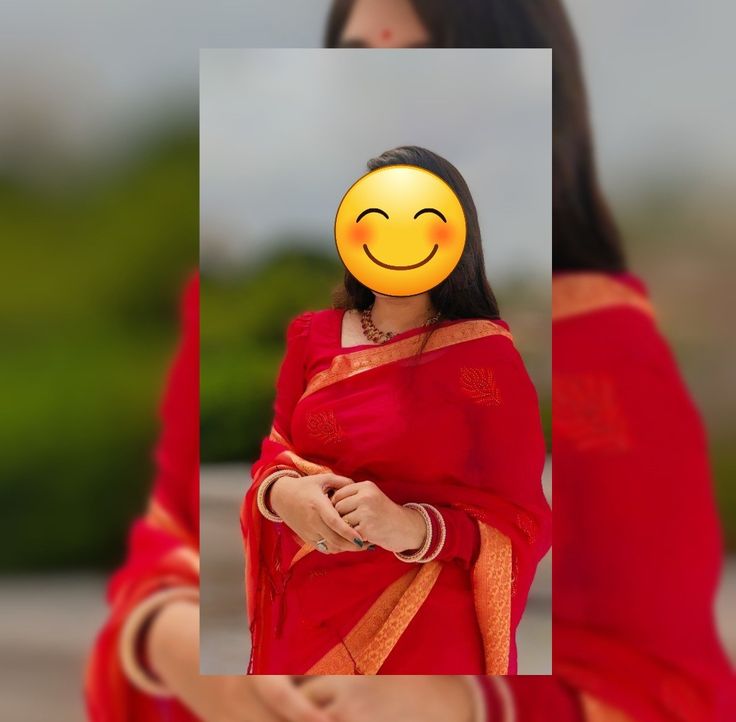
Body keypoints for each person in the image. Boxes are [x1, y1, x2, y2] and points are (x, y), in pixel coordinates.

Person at [244, 146, 551, 675]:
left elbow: (520, 519)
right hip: (306, 618)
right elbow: (275, 455)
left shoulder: (484, 359)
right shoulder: (310, 335)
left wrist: (412, 527)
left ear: (454, 237)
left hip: (425, 628)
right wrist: (281, 495)